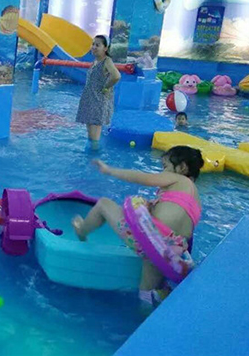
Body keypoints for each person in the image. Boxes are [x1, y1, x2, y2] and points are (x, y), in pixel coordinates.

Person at [71, 146, 204, 306]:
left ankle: (81, 230)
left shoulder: (178, 179)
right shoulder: (196, 199)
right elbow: (185, 232)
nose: (162, 172)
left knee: (103, 204)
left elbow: (143, 178)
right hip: (172, 250)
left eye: (165, 166)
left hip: (152, 238)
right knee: (148, 290)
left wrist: (110, 170)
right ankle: (152, 303)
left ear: (182, 167)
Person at [75, 35, 121, 149]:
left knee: (94, 137)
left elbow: (116, 76)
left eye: (97, 45)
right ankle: (90, 154)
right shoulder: (96, 61)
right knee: (90, 135)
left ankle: (95, 157)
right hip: (90, 99)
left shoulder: (107, 61)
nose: (94, 47)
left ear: (105, 48)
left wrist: (106, 87)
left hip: (98, 101)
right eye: (93, 44)